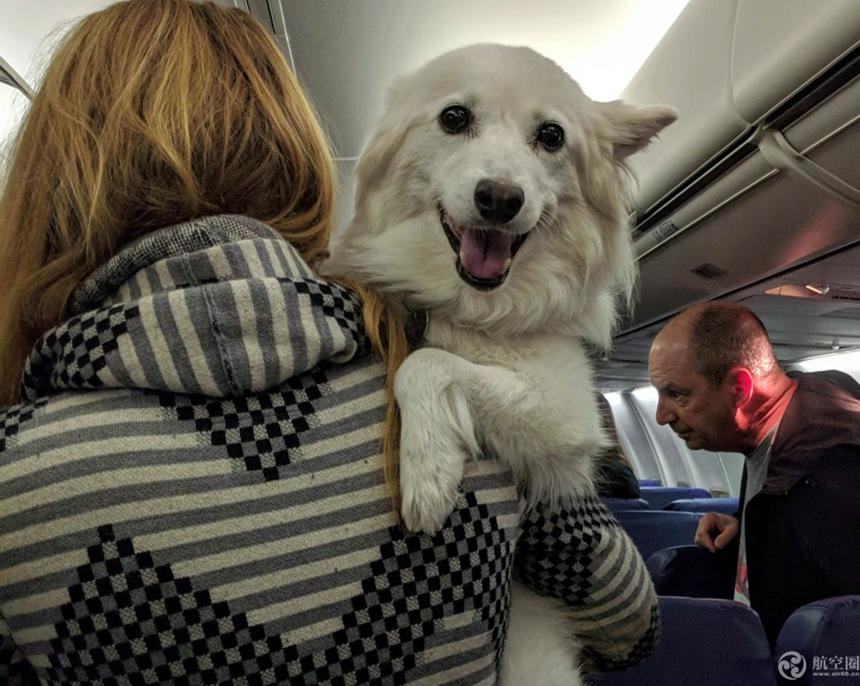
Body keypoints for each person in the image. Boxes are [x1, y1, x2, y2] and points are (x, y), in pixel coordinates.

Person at [0, 2, 658, 682]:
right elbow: (629, 627)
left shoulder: (14, 474)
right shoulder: (466, 399)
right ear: (297, 157)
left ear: (50, 185)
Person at [648, 301, 860, 644]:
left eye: (678, 394)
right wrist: (750, 523)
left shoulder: (828, 477)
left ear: (740, 390)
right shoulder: (817, 394)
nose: (661, 415)